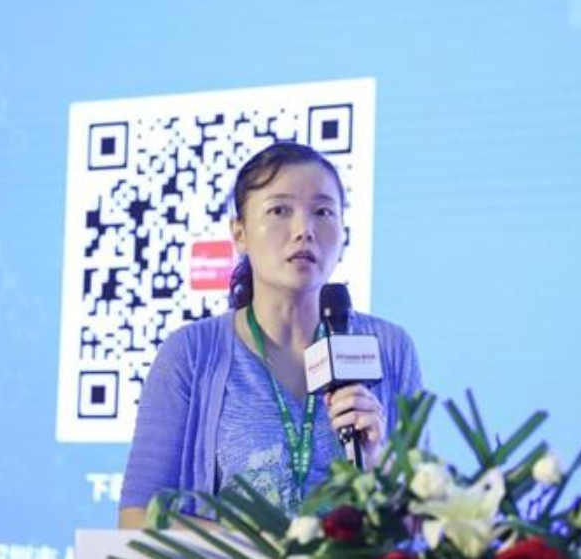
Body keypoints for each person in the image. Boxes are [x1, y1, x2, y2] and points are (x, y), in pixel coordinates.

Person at [118, 142, 422, 528]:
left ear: (343, 232)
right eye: (280, 210)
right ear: (239, 232)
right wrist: (270, 548)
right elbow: (137, 517)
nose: (304, 231)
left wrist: (381, 462)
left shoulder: (391, 348)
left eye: (323, 212)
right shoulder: (192, 353)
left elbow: (424, 526)